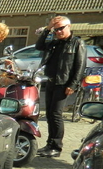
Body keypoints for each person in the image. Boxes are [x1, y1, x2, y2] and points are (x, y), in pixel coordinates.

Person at [35, 15, 86, 157]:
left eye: (61, 29)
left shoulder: (77, 43)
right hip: (51, 81)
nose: (58, 32)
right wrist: (48, 28)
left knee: (56, 114)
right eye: (56, 29)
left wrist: (73, 84)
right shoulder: (54, 42)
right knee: (50, 114)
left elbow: (80, 66)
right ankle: (49, 144)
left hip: (63, 83)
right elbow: (39, 46)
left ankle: (56, 147)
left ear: (68, 27)